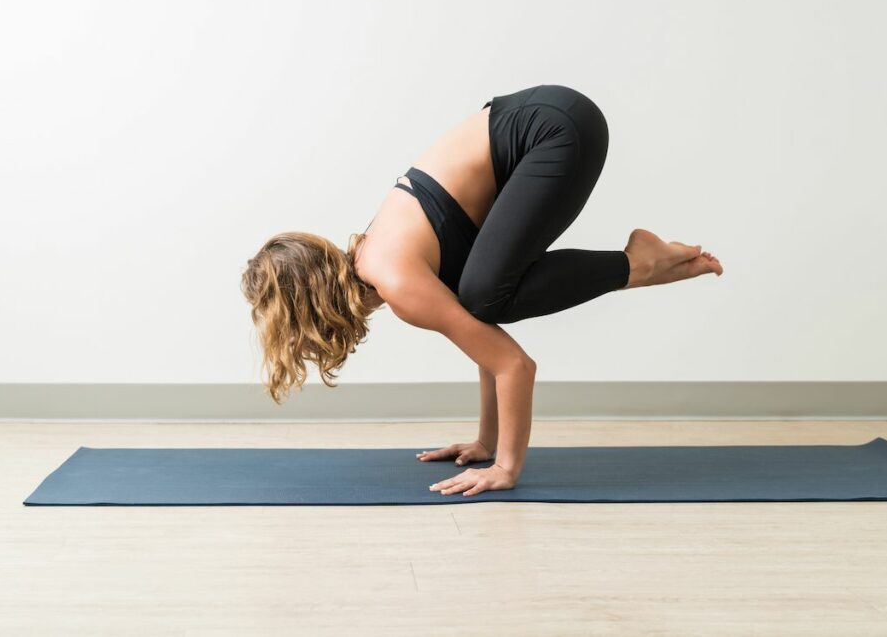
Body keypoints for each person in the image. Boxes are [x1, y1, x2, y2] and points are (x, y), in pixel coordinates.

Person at [240, 84, 723, 498]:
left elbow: (513, 364)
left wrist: (505, 468)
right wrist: (485, 443)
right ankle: (640, 260)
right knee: (483, 295)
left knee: (486, 295)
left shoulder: (396, 279)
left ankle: (638, 262)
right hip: (548, 118)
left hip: (555, 131)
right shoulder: (380, 255)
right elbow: (483, 334)